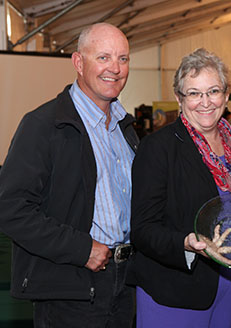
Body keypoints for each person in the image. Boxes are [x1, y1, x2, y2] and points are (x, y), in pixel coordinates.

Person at [0, 23, 139, 327]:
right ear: (78, 62)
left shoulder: (125, 129)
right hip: (71, 288)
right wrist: (81, 249)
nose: (115, 69)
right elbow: (10, 209)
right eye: (103, 58)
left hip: (124, 284)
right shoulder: (44, 125)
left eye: (123, 59)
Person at [126, 48, 231, 328]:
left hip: (230, 282)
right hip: (176, 286)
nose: (205, 102)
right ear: (179, 99)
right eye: (194, 93)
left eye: (213, 91)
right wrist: (185, 243)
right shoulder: (159, 148)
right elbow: (143, 228)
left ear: (226, 95)